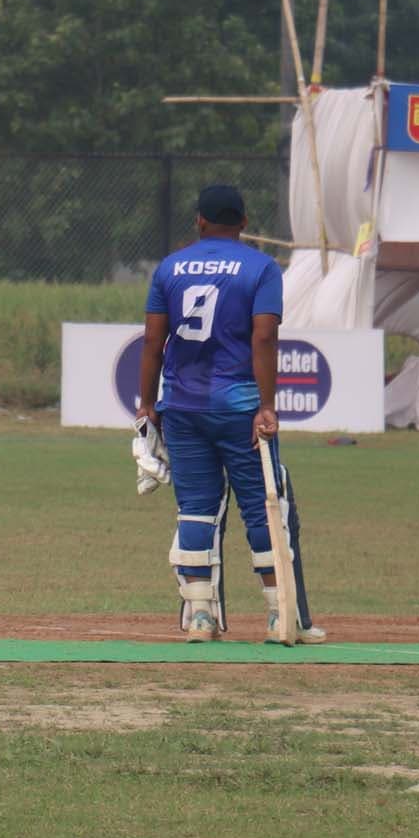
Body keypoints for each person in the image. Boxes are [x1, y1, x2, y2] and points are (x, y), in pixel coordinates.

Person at [136, 186, 323, 644]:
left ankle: (200, 616)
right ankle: (280, 616)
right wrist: (267, 405)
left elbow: (153, 342)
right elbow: (264, 337)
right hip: (239, 408)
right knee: (263, 509)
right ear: (244, 222)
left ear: (199, 221)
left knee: (195, 510)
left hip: (183, 407)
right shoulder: (260, 267)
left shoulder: (170, 267)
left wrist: (146, 404)